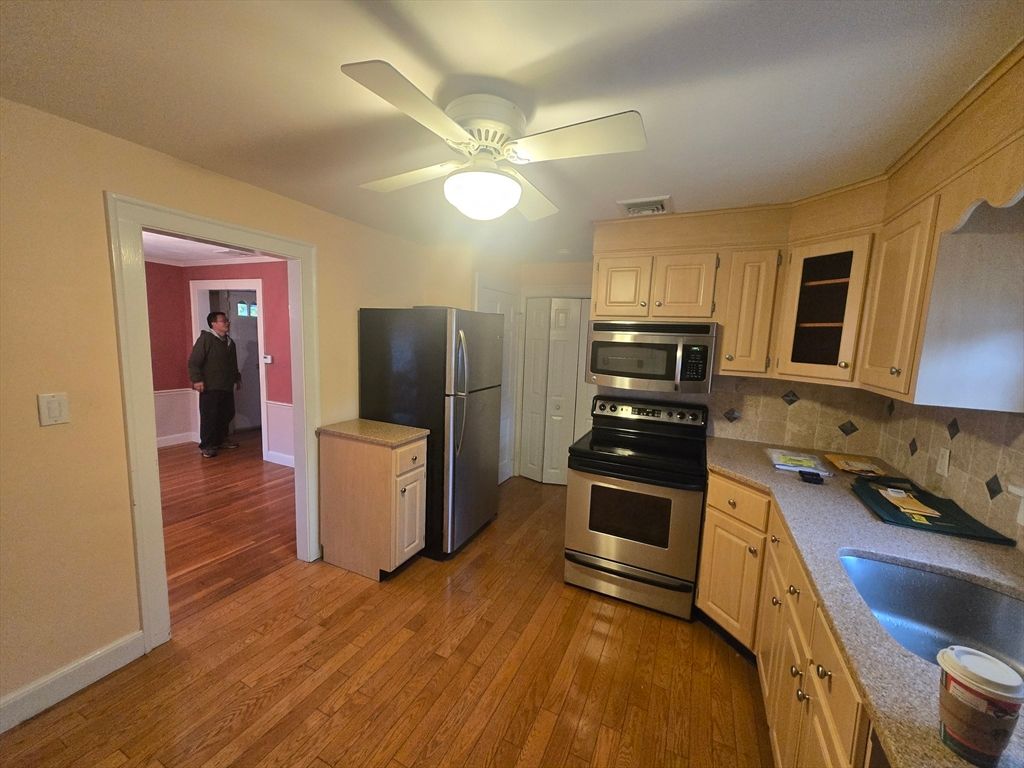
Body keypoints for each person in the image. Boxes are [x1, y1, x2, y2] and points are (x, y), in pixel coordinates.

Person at [188, 311, 241, 458]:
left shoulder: (230, 342)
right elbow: (194, 362)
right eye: (223, 321)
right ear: (213, 324)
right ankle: (207, 446)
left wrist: (237, 378)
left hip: (226, 385)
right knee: (209, 416)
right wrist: (197, 380)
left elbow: (233, 364)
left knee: (227, 413)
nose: (227, 323)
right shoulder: (205, 339)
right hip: (210, 386)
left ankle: (220, 440)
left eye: (227, 320)